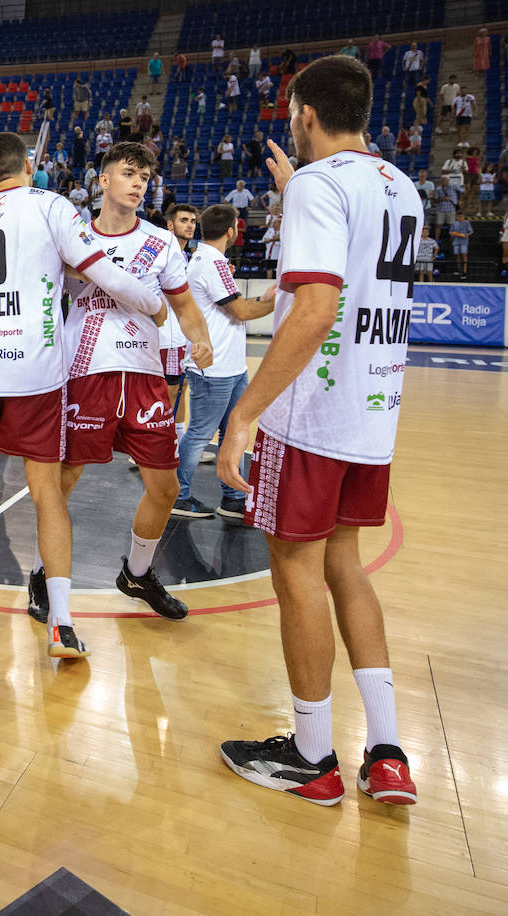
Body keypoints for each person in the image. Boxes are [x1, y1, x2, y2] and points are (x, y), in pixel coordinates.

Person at [217, 54, 421, 808]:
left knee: (295, 572)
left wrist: (244, 413)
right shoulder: (400, 186)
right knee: (346, 565)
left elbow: (314, 310)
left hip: (313, 417)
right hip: (375, 410)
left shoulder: (315, 185)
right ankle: (390, 751)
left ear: (304, 115)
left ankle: (312, 757)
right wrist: (297, 196)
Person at [0, 132, 164, 651]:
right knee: (47, 492)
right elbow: (102, 271)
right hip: (34, 373)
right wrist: (154, 304)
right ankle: (62, 623)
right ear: (31, 165)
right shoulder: (52, 205)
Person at [23, 141, 214, 644]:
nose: (138, 183)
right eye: (129, 173)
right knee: (63, 482)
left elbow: (184, 304)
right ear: (102, 181)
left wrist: (200, 338)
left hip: (146, 375)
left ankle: (136, 573)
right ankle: (44, 572)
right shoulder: (71, 234)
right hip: (85, 374)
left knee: (165, 488)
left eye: (145, 178)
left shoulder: (161, 242)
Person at [172, 203, 276, 519]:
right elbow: (242, 311)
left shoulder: (210, 261)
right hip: (213, 368)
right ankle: (178, 495)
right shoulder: (210, 262)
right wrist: (275, 301)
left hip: (230, 366)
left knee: (233, 431)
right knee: (200, 433)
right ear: (231, 231)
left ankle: (232, 497)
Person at [161, 203, 199, 420]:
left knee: (181, 386)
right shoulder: (165, 253)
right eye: (184, 220)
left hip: (180, 333)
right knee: (168, 389)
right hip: (166, 333)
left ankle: (177, 442)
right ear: (170, 225)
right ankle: (156, 445)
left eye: (193, 221)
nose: (190, 225)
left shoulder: (185, 256)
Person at [450, 210, 472, 277]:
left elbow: (470, 231)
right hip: (456, 241)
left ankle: (465, 271)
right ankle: (459, 270)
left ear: (464, 216)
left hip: (464, 241)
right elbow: (451, 231)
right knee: (457, 255)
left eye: (461, 216)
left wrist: (466, 235)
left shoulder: (467, 223)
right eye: (458, 216)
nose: (460, 218)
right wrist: (453, 234)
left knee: (464, 255)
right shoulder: (454, 223)